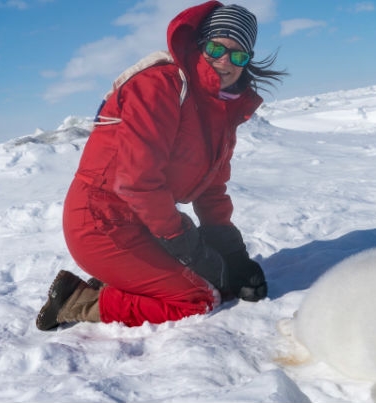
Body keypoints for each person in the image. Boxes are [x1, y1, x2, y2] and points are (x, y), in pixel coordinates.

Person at [36, 1, 285, 330]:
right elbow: (136, 181)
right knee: (199, 297)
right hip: (100, 223)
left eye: (238, 55)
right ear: (200, 44)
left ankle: (129, 279)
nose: (225, 61)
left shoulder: (220, 108)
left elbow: (211, 186)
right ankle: (77, 302)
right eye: (216, 47)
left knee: (224, 283)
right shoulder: (160, 86)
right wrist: (185, 242)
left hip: (144, 219)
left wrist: (231, 251)